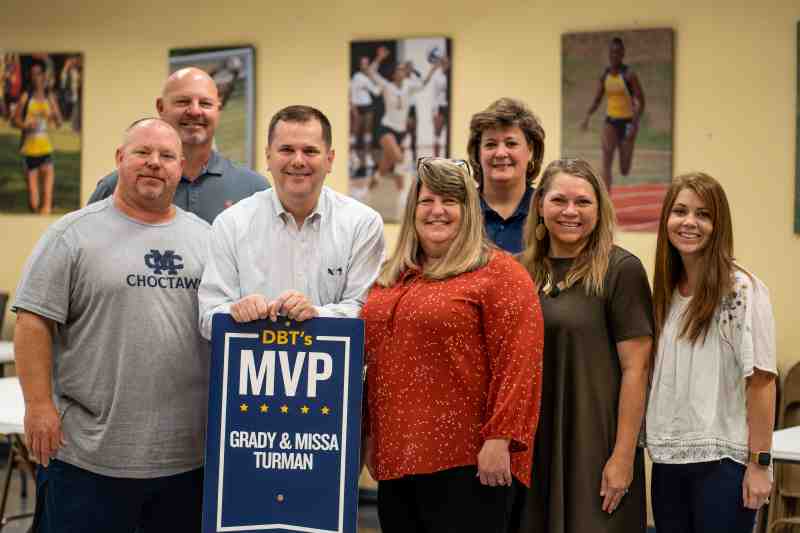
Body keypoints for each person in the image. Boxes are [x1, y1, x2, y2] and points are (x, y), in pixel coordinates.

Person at [12, 118, 211, 532]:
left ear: (180, 168)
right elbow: (33, 321)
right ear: (120, 159)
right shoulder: (72, 234)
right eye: (142, 152)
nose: (154, 163)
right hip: (88, 457)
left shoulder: (208, 239)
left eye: (167, 156)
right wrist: (38, 406)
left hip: (186, 461)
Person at [361, 157, 544, 533]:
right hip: (397, 460)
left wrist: (500, 440)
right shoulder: (391, 278)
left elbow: (520, 363)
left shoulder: (499, 274)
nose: (437, 211)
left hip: (468, 462)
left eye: (450, 201)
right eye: (427, 201)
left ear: (470, 211)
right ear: (413, 210)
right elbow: (371, 364)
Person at [517, 158, 653, 533]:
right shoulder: (518, 272)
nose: (570, 212)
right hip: (533, 450)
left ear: (600, 208)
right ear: (540, 205)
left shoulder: (621, 270)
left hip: (595, 446)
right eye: (559, 200)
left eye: (583, 202)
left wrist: (623, 457)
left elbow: (636, 370)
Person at [646, 172, 776, 533]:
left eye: (703, 214)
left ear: (718, 225)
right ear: (666, 220)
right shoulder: (665, 292)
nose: (689, 222)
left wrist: (760, 464)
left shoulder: (741, 290)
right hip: (669, 461)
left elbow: (762, 381)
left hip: (724, 466)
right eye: (680, 211)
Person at [198, 105, 385, 337]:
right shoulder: (231, 224)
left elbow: (369, 314)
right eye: (286, 149)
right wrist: (233, 312)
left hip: (331, 371)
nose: (298, 161)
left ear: (329, 159)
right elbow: (208, 318)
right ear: (268, 156)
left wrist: (316, 315)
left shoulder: (363, 224)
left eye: (310, 151)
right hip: (253, 369)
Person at [88, 67, 268, 224]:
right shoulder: (115, 186)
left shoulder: (253, 189)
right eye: (183, 102)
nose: (195, 111)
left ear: (218, 110)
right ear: (161, 107)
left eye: (205, 103)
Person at [467, 97, 545, 254]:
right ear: (478, 153)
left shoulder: (546, 212)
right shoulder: (460, 210)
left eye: (511, 144)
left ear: (530, 150)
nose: (501, 153)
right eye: (490, 144)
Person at [367, 46, 440, 191]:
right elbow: (371, 72)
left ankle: (373, 181)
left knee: (386, 164)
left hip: (401, 131)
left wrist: (433, 68)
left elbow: (423, 83)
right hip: (386, 128)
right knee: (400, 159)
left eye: (402, 69)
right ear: (394, 74)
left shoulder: (408, 85)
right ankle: (403, 194)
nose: (402, 71)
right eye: (399, 69)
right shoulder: (387, 86)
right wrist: (379, 58)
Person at [580, 37, 645, 191]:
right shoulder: (605, 75)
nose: (614, 55)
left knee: (624, 168)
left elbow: (640, 101)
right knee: (606, 159)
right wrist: (587, 117)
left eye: (617, 52)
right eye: (612, 52)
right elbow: (597, 99)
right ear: (609, 54)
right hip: (611, 121)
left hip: (628, 122)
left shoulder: (629, 75)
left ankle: (628, 151)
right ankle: (606, 202)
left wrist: (635, 124)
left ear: (623, 54)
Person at [14, 58, 63, 215]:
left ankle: (47, 210)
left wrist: (54, 115)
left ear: (44, 75)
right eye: (33, 74)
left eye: (39, 74)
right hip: (29, 150)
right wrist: (26, 125)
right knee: (34, 202)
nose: (36, 77)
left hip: (46, 148)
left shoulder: (50, 97)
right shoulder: (25, 97)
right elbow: (15, 120)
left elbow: (59, 122)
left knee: (46, 202)